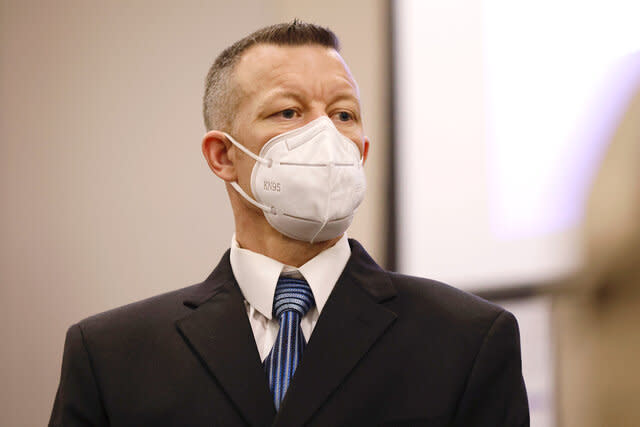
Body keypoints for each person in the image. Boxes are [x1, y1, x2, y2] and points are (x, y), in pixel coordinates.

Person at [49, 21, 529, 426]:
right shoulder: (112, 356)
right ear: (222, 156)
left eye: (343, 114)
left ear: (360, 153)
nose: (325, 135)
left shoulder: (467, 339)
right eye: (289, 112)